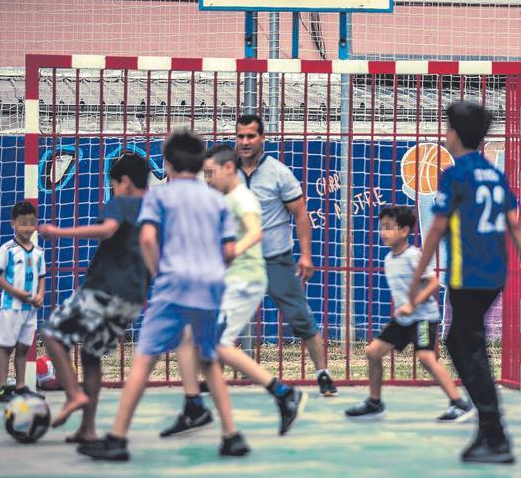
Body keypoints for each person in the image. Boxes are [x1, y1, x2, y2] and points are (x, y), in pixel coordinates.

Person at [78, 130, 249, 461]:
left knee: (144, 359)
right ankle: (232, 435)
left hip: (173, 285)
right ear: (202, 164)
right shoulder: (216, 199)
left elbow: (146, 240)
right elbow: (228, 250)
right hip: (210, 286)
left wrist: (159, 273)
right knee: (209, 359)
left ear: (167, 164)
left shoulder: (159, 197)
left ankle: (116, 438)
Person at [409, 101, 521, 464]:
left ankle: (495, 432)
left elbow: (437, 228)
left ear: (454, 133)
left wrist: (419, 273)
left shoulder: (455, 175)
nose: (445, 133)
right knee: (460, 343)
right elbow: (515, 225)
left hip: (467, 275)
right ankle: (488, 428)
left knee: (468, 348)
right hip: (495, 275)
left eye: (447, 128)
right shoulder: (493, 173)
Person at [160, 144, 306, 438]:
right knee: (192, 340)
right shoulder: (226, 200)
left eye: (211, 173)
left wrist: (232, 252)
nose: (208, 179)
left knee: (217, 346)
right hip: (230, 282)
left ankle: (282, 392)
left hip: (243, 283)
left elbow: (255, 231)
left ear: (229, 169)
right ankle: (195, 406)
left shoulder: (242, 198)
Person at [38, 153, 151, 444]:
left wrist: (59, 232)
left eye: (113, 184)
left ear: (124, 182)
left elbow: (107, 229)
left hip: (105, 289)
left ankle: (74, 394)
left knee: (51, 333)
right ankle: (87, 430)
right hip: (133, 298)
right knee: (91, 356)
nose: (113, 189)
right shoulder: (155, 209)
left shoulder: (121, 202)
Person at [234, 114, 337, 396]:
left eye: (251, 136)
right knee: (220, 318)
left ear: (262, 138)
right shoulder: (228, 173)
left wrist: (305, 255)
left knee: (300, 318)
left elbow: (301, 213)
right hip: (239, 261)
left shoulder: (278, 172)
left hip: (275, 258)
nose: (245, 142)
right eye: (240, 136)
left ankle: (323, 373)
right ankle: (213, 376)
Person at [344, 205, 474, 422]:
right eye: (381, 227)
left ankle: (460, 403)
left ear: (404, 231)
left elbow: (433, 284)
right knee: (373, 352)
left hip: (423, 317)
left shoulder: (414, 256)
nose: (383, 232)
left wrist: (413, 305)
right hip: (404, 319)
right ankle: (374, 403)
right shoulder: (388, 260)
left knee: (425, 357)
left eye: (389, 227)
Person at [0, 201, 46, 403]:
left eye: (32, 223)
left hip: (30, 310)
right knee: (6, 347)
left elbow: (42, 276)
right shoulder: (8, 249)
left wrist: (40, 294)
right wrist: (16, 292)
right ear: (13, 223)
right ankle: (3, 388)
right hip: (11, 308)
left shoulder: (39, 251)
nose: (28, 228)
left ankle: (21, 385)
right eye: (23, 223)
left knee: (23, 348)